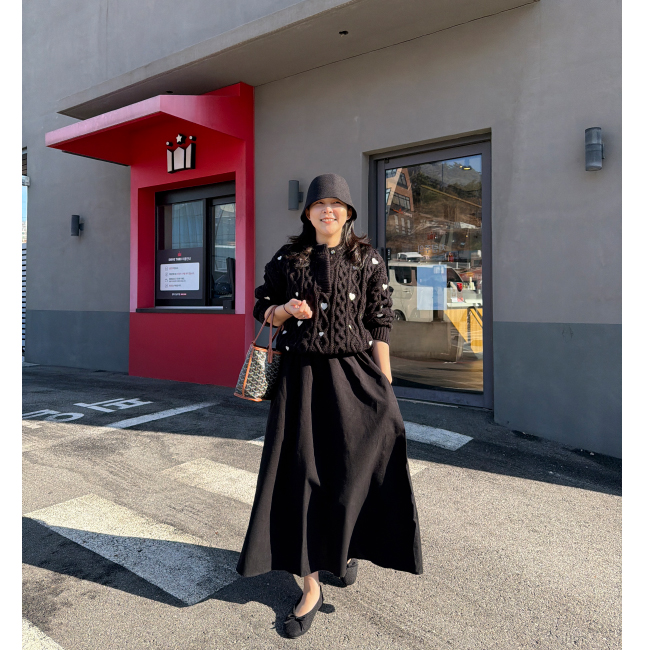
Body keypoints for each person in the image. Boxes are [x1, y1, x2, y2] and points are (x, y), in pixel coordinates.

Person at [236, 173, 423, 638]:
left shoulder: (367, 258)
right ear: (308, 213)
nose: (328, 211)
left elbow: (380, 321)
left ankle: (342, 549)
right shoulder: (289, 259)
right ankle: (311, 586)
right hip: (300, 380)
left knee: (352, 470)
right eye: (320, 204)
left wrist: (385, 382)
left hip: (354, 376)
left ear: (349, 213)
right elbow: (262, 307)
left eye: (337, 204)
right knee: (301, 477)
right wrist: (285, 311)